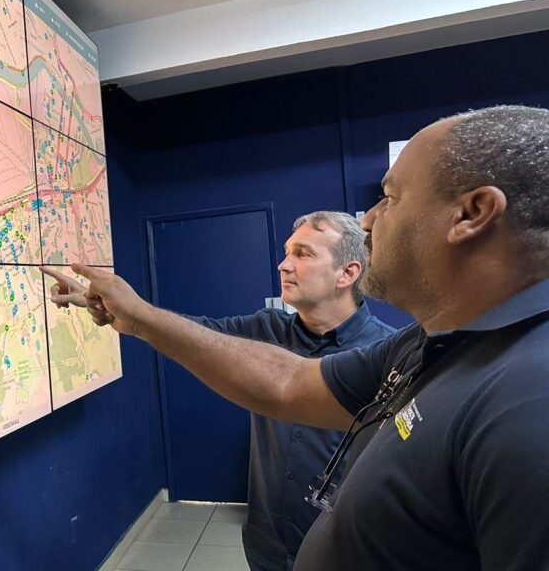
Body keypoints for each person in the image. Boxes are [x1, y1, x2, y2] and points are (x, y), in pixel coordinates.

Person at [54, 105, 549, 570]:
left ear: (472, 213)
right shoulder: (423, 346)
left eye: (391, 197)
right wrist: (137, 317)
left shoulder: (530, 398)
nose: (370, 219)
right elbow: (288, 383)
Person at [44, 211, 393, 571]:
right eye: (287, 252)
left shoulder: (387, 356)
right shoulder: (267, 328)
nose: (283, 265)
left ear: (347, 273)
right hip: (267, 544)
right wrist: (117, 309)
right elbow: (196, 334)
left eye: (303, 254)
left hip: (342, 551)